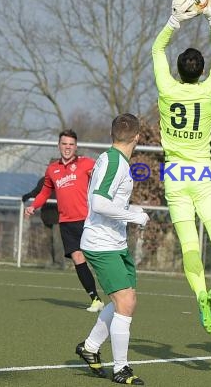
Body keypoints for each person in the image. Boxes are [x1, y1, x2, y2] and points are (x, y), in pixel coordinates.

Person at [152, 0, 211, 335]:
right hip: (202, 174)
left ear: (177, 69)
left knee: (189, 245)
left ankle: (201, 293)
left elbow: (157, 48)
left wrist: (176, 19)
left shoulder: (167, 89)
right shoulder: (209, 90)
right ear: (201, 71)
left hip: (175, 174)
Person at [75, 113, 148, 385]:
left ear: (112, 134)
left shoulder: (111, 159)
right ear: (138, 137)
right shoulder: (116, 162)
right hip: (101, 243)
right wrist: (134, 215)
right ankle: (121, 369)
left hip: (113, 242)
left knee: (124, 301)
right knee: (126, 302)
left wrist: (130, 211)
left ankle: (90, 347)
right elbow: (99, 203)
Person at [24, 129, 103, 313]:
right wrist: (33, 206)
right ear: (59, 145)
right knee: (77, 259)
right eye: (64, 144)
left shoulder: (86, 164)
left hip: (88, 220)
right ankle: (96, 299)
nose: (67, 147)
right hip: (66, 222)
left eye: (71, 144)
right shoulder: (53, 169)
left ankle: (117, 293)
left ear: (76, 147)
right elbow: (45, 192)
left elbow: (102, 177)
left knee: (98, 258)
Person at [22, 173, 63, 267]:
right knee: (48, 240)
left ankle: (59, 263)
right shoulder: (44, 180)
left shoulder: (63, 179)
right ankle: (51, 261)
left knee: (57, 241)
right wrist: (27, 196)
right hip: (46, 216)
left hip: (59, 217)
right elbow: (37, 192)